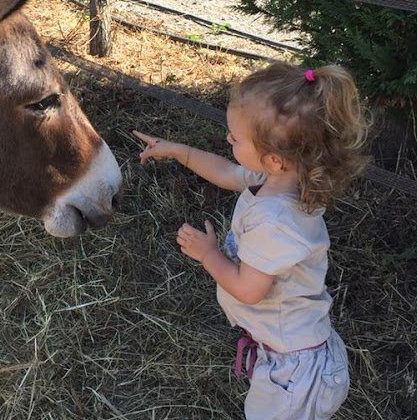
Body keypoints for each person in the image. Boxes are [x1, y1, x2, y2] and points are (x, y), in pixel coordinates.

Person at [134, 61, 370, 420]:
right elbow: (227, 172)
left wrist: (208, 254)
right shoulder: (281, 180)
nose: (228, 140)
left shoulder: (274, 221)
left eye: (236, 138)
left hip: (294, 373)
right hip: (295, 355)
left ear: (275, 159)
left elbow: (249, 289)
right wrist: (178, 150)